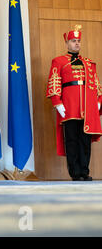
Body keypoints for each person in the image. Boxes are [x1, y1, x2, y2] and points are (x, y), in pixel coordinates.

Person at [46, 25, 102, 181]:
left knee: (85, 141)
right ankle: (75, 173)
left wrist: (98, 101)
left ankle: (84, 171)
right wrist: (57, 102)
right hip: (69, 106)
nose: (77, 43)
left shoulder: (88, 63)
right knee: (71, 140)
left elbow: (96, 84)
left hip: (87, 107)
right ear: (67, 43)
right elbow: (54, 81)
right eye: (73, 41)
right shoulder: (58, 61)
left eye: (78, 41)